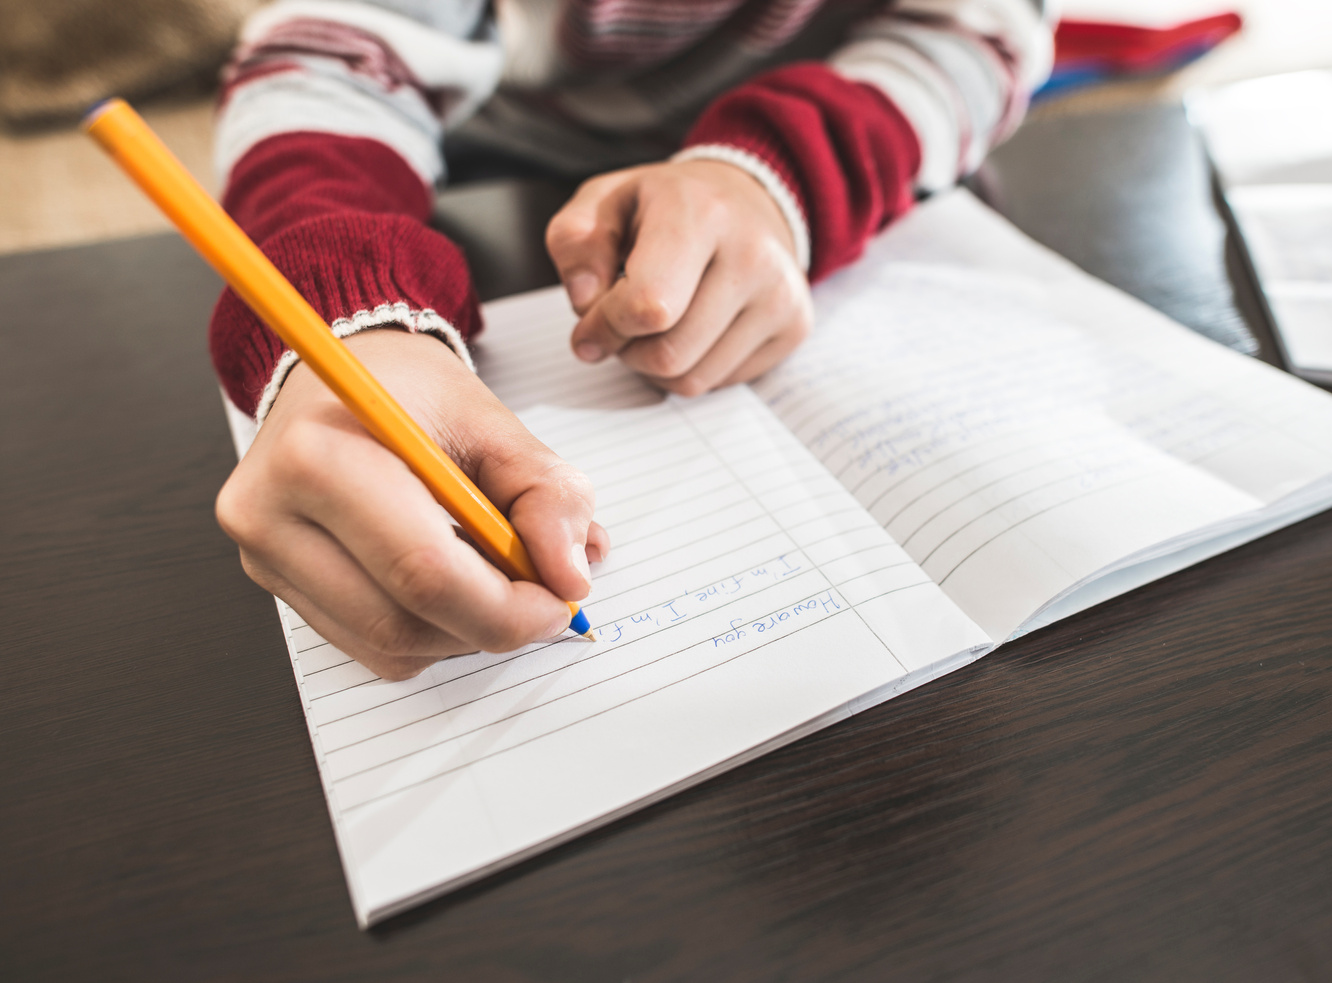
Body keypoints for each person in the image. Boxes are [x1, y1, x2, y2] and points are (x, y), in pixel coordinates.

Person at [210, 0, 1053, 680]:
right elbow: (327, 62)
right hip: (501, 166)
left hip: (868, 142)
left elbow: (974, 33)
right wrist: (346, 313)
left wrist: (777, 175)